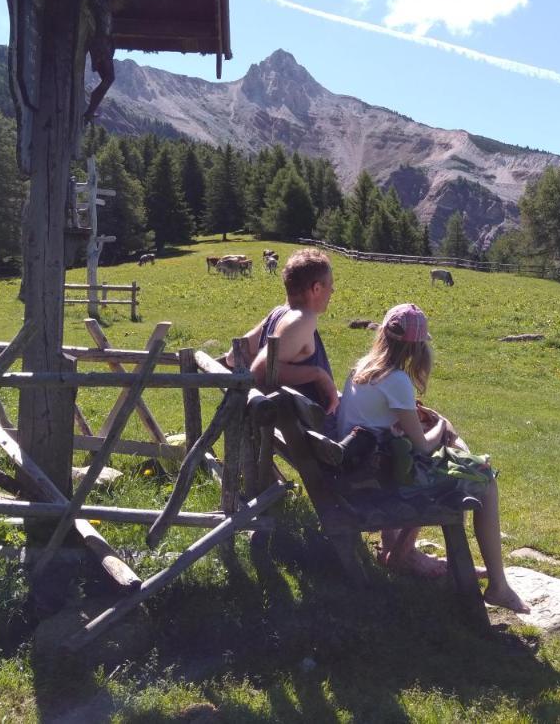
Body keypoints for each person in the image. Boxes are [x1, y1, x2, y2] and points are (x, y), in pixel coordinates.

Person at [334, 303, 530, 613]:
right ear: (417, 345)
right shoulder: (396, 379)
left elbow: (381, 421)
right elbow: (424, 447)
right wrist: (441, 424)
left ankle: (399, 550)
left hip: (357, 471)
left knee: (452, 462)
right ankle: (498, 586)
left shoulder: (361, 368)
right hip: (380, 483)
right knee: (484, 479)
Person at [225, 248, 339, 415]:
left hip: (281, 427)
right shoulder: (302, 319)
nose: (332, 291)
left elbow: (233, 356)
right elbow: (261, 371)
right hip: (308, 431)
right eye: (330, 285)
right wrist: (318, 374)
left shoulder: (278, 313)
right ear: (316, 288)